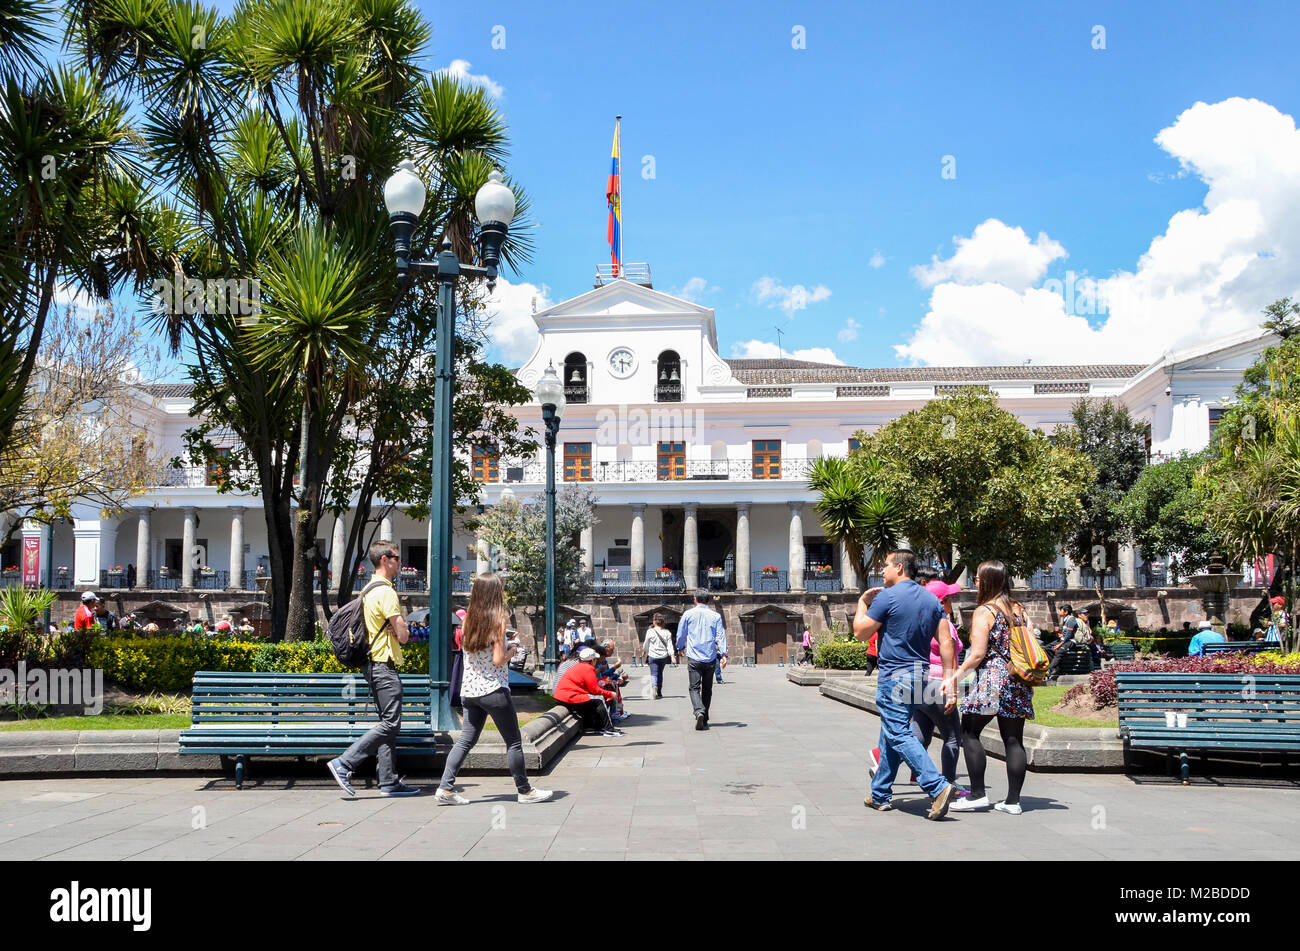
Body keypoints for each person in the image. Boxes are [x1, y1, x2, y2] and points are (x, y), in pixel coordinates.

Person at [854, 550, 957, 819]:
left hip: (894, 675)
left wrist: (863, 603)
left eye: (885, 565)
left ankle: (937, 786)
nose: (882, 570)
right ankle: (880, 794)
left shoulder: (886, 597)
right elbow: (946, 641)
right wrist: (948, 678)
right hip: (919, 674)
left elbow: (860, 632)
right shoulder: (931, 600)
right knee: (891, 732)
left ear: (899, 568)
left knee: (899, 733)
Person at [436, 573, 552, 805]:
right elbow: (498, 659)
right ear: (494, 593)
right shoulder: (498, 619)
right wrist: (513, 649)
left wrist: (505, 644)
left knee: (466, 740)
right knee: (514, 742)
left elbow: (478, 651)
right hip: (493, 690)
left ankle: (445, 788)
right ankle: (525, 791)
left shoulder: (467, 620)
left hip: (470, 692)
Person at [328, 541, 419, 798]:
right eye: (397, 558)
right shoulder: (387, 592)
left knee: (388, 724)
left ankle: (388, 782)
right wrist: (403, 630)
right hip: (382, 665)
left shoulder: (368, 588)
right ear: (385, 560)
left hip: (372, 664)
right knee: (391, 723)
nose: (400, 563)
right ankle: (344, 763)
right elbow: (402, 635)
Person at [948, 560, 1034, 815]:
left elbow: (977, 654)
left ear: (987, 581)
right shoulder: (1019, 609)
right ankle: (1013, 802)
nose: (975, 581)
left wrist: (955, 677)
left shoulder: (985, 610)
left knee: (970, 732)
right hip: (1017, 678)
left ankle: (977, 794)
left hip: (992, 678)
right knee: (1013, 739)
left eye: (977, 577)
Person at [907, 579, 968, 794]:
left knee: (920, 735)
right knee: (952, 737)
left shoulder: (917, 621)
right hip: (938, 682)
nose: (953, 601)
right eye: (950, 598)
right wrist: (951, 685)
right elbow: (949, 652)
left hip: (917, 682)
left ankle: (918, 773)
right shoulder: (944, 623)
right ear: (943, 602)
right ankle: (948, 783)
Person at [675, 591, 728, 730]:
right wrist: (723, 655)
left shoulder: (688, 614)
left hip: (694, 657)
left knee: (694, 687)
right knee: (707, 689)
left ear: (695, 599)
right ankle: (704, 719)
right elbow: (720, 636)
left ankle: (699, 711)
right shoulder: (715, 616)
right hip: (710, 657)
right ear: (708, 600)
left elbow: (681, 633)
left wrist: (680, 647)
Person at [554, 646, 622, 736]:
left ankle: (594, 726)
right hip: (570, 696)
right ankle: (608, 728)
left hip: (562, 696)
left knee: (593, 700)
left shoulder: (579, 666)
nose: (596, 661)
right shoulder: (588, 668)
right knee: (599, 699)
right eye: (595, 659)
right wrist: (610, 694)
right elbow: (595, 690)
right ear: (592, 660)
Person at [643, 613, 676, 699]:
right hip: (663, 657)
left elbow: (646, 643)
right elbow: (669, 645)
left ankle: (654, 687)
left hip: (652, 656)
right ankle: (660, 692)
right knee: (660, 673)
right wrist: (672, 656)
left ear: (654, 622)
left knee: (654, 673)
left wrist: (645, 651)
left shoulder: (650, 631)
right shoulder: (667, 632)